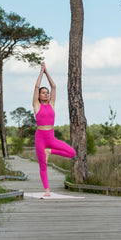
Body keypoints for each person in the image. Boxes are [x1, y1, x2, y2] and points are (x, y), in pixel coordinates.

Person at [33, 62, 75, 197]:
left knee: (72, 153)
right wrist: (41, 72)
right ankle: (47, 190)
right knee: (42, 166)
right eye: (43, 93)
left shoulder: (51, 104)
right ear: (39, 96)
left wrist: (47, 72)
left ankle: (49, 151)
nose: (46, 94)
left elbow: (54, 86)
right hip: (40, 138)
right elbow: (36, 86)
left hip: (51, 138)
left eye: (47, 93)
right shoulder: (36, 106)